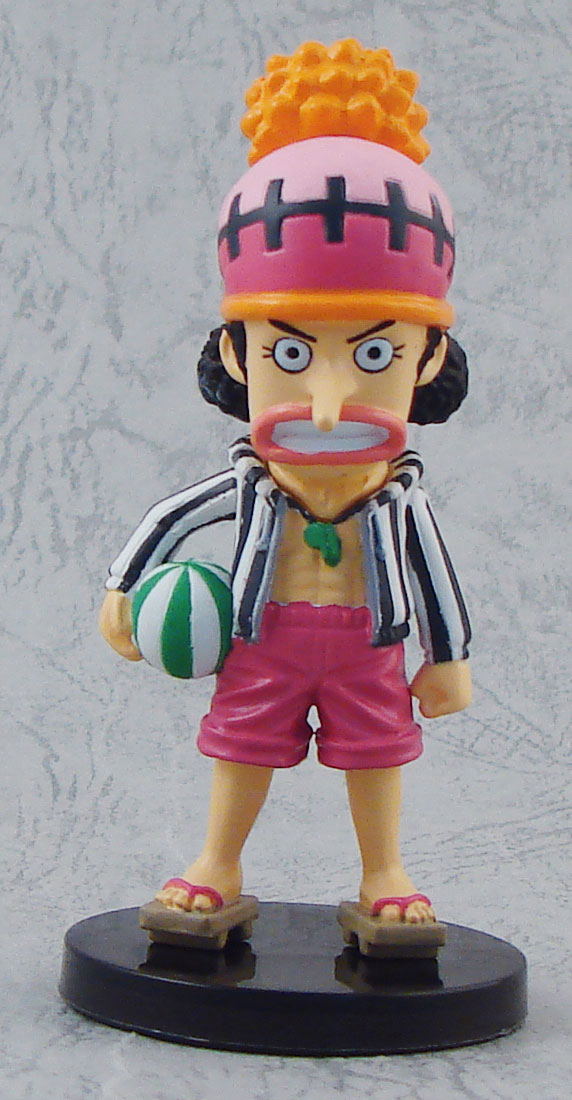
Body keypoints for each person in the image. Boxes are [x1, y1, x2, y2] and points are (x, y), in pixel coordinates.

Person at [99, 39, 472, 949]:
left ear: (426, 359)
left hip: (369, 643)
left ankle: (383, 872)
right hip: (262, 636)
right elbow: (174, 517)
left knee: (376, 753)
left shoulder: (400, 501)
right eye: (291, 353)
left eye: (375, 353)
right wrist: (123, 585)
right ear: (237, 354)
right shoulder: (252, 483)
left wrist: (448, 656)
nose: (331, 403)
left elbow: (434, 575)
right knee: (241, 742)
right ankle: (216, 863)